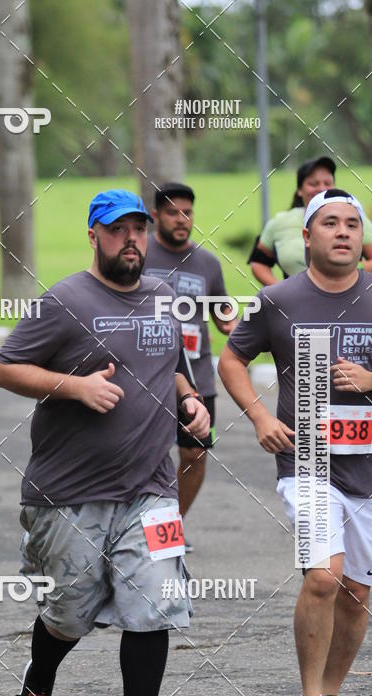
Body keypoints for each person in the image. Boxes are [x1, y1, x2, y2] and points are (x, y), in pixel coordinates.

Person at [0, 189, 210, 696]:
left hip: (151, 488)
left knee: (154, 607)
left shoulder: (164, 298)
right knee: (69, 616)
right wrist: (76, 387)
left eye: (139, 228)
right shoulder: (64, 300)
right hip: (69, 494)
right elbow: (3, 368)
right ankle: (40, 676)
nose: (132, 239)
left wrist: (190, 402)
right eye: (119, 230)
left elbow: (172, 367)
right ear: (95, 235)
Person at [219, 188, 372, 696]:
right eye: (330, 223)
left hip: (369, 470)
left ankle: (331, 695)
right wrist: (257, 418)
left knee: (354, 592)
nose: (344, 232)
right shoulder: (278, 300)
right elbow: (232, 359)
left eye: (353, 223)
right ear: (306, 237)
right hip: (306, 462)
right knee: (322, 575)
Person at [143, 182, 236, 548]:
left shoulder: (207, 263)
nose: (182, 220)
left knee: (195, 452)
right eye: (172, 212)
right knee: (145, 456)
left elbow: (222, 309)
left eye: (187, 212)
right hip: (148, 377)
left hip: (197, 380)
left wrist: (230, 320)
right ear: (155, 217)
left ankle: (171, 529)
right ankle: (137, 529)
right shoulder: (141, 256)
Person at [248, 156, 372, 285]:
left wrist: (350, 268)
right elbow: (259, 262)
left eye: (327, 183)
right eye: (313, 183)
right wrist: (280, 291)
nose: (321, 189)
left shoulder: (355, 220)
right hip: (296, 309)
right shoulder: (279, 223)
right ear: (299, 190)